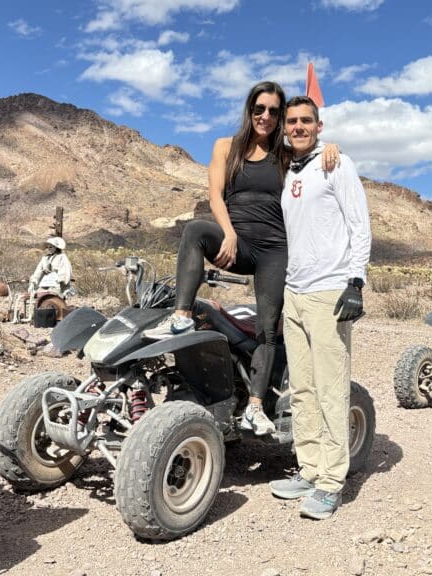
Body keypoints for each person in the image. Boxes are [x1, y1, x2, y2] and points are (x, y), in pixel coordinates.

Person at [144, 81, 339, 436]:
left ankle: (254, 407)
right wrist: (230, 232)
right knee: (195, 232)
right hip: (237, 243)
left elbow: (309, 144)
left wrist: (331, 147)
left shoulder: (284, 155)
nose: (266, 116)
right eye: (259, 109)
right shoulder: (226, 147)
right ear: (249, 110)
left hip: (276, 251)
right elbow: (215, 196)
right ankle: (182, 316)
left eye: (274, 112)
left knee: (268, 330)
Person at [269, 96, 371, 520]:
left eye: (305, 121)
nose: (297, 126)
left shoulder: (337, 165)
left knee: (331, 389)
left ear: (319, 124)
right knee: (304, 389)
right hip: (294, 292)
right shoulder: (289, 169)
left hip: (329, 292)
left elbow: (358, 223)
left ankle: (331, 482)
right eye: (291, 121)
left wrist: (356, 282)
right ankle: (310, 470)